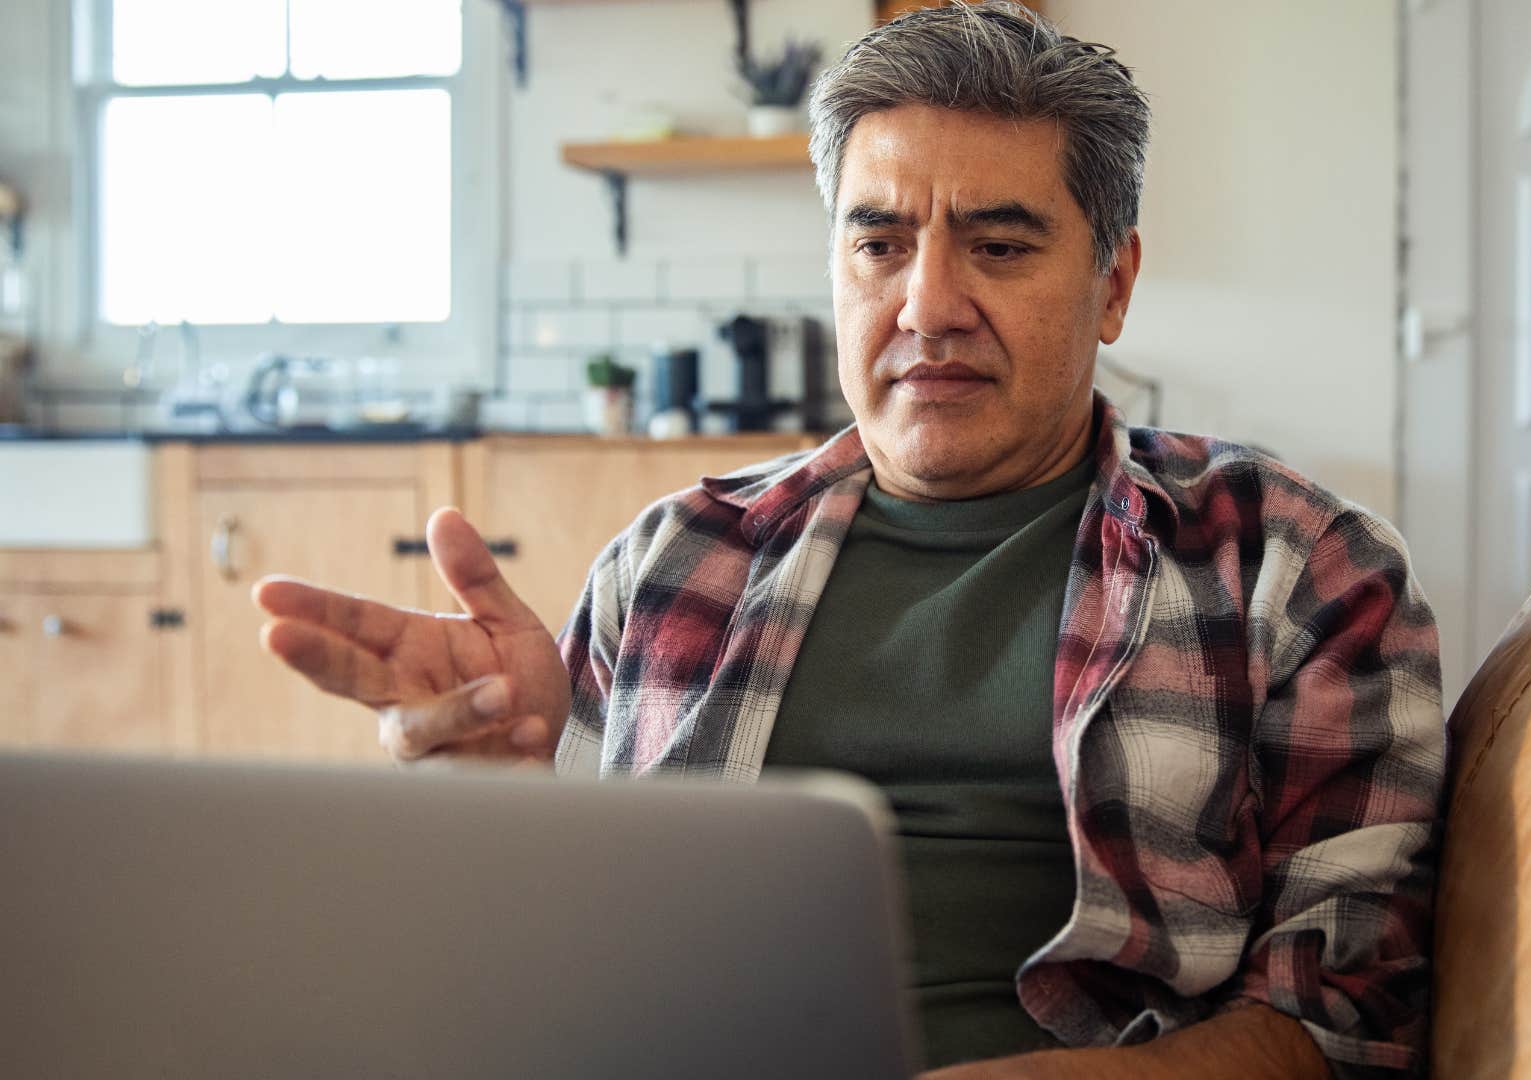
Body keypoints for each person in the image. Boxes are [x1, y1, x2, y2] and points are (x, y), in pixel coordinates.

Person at [252, 4, 1445, 1076]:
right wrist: (505, 809)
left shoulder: (1293, 567)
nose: (927, 306)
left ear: (1114, 283)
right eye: (879, 245)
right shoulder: (671, 563)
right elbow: (550, 977)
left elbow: (1348, 1017)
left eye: (1001, 246)